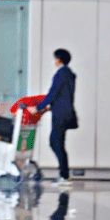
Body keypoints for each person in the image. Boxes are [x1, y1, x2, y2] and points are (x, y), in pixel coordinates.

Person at [28, 48, 77, 187]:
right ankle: (64, 175)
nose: (54, 61)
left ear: (59, 60)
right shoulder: (70, 74)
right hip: (66, 113)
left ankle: (64, 176)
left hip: (60, 115)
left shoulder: (60, 74)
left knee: (55, 142)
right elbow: (65, 95)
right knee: (58, 143)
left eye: (55, 58)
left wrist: (37, 108)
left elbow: (52, 94)